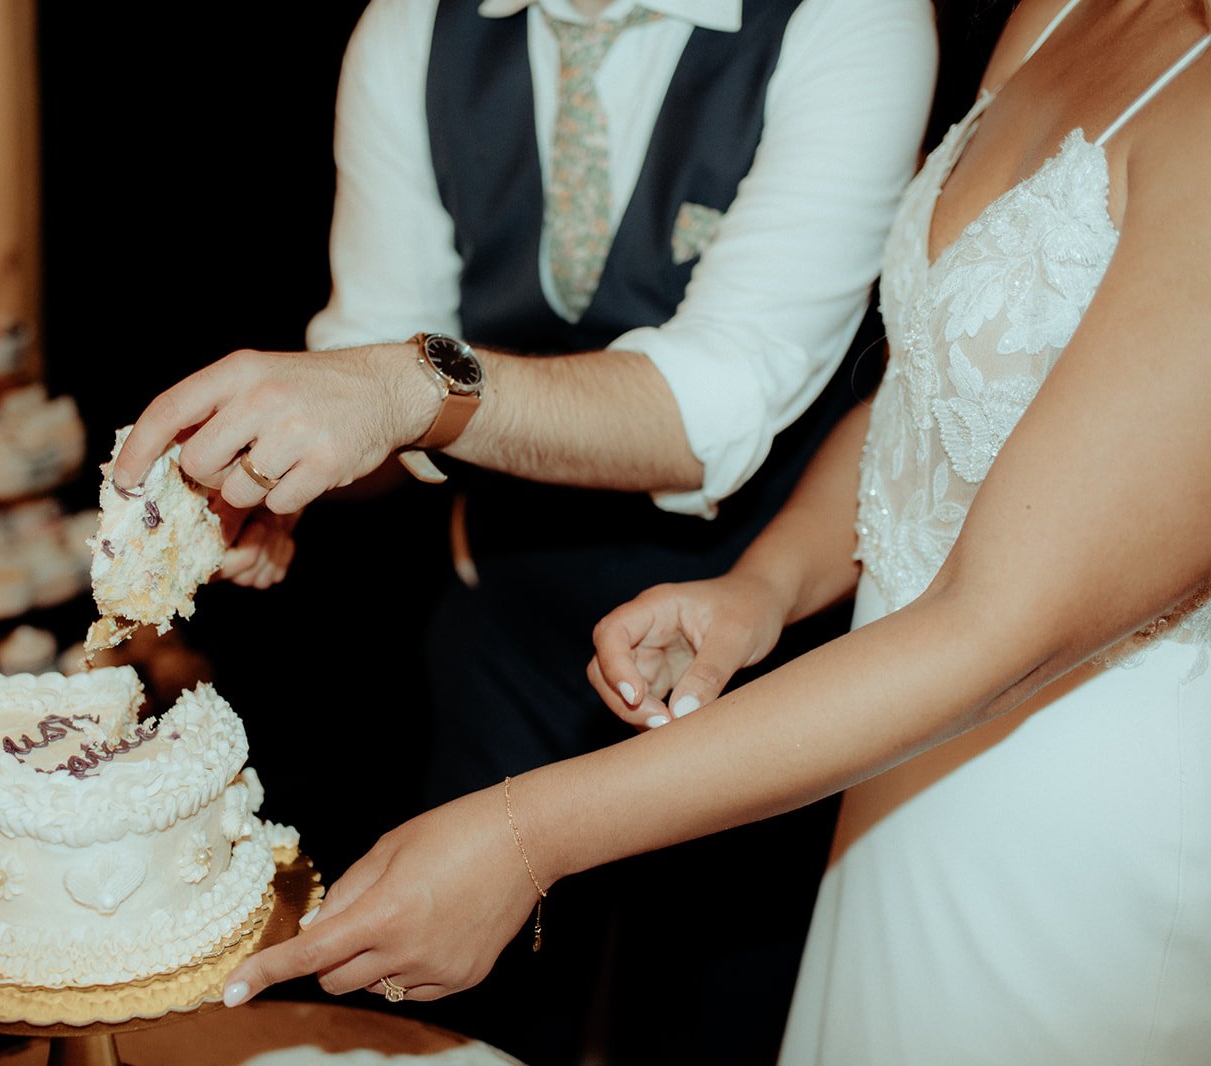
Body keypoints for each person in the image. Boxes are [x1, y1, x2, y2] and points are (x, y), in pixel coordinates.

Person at [212, 0, 1211, 1061]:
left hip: (1072, 808)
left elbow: (993, 620)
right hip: (888, 761)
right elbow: (927, 397)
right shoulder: (1055, 13)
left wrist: (525, 834)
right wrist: (769, 585)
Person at [117, 2, 934, 1058]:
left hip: (760, 654)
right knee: (465, 1030)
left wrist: (398, 387)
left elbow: (711, 412)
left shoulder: (848, 22)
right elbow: (372, 365)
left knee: (717, 1025)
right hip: (502, 627)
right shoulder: (411, 30)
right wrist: (282, 481)